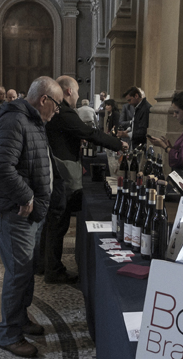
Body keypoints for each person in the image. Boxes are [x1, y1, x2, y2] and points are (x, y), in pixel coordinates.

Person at [0, 76, 62, 358]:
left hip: (30, 211)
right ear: (44, 99)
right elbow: (1, 168)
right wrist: (27, 197)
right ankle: (8, 333)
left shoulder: (32, 120)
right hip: (14, 210)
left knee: (26, 269)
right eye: (56, 106)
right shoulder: (14, 120)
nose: (57, 112)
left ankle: (20, 319)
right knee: (18, 272)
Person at [43, 76, 127, 283]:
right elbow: (88, 132)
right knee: (57, 222)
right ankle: (53, 270)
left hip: (56, 169)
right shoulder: (62, 111)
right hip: (60, 171)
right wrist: (117, 144)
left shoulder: (59, 111)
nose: (79, 95)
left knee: (53, 223)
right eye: (78, 91)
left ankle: (43, 264)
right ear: (69, 91)